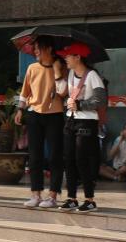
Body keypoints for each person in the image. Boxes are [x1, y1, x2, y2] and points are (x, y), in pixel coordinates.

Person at [15, 37, 66, 208]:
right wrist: (20, 110)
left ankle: (53, 196)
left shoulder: (61, 67)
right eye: (34, 48)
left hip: (55, 115)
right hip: (34, 114)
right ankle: (35, 194)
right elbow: (25, 92)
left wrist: (57, 71)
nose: (35, 51)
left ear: (49, 49)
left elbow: (63, 92)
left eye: (38, 48)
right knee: (34, 156)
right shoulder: (32, 68)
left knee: (55, 156)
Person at [59, 43, 107, 213]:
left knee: (82, 159)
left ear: (78, 57)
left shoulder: (92, 75)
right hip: (71, 120)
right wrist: (70, 103)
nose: (65, 58)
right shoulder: (70, 74)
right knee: (69, 159)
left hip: (87, 122)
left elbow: (101, 100)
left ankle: (89, 200)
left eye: (68, 55)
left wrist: (80, 105)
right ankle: (72, 198)